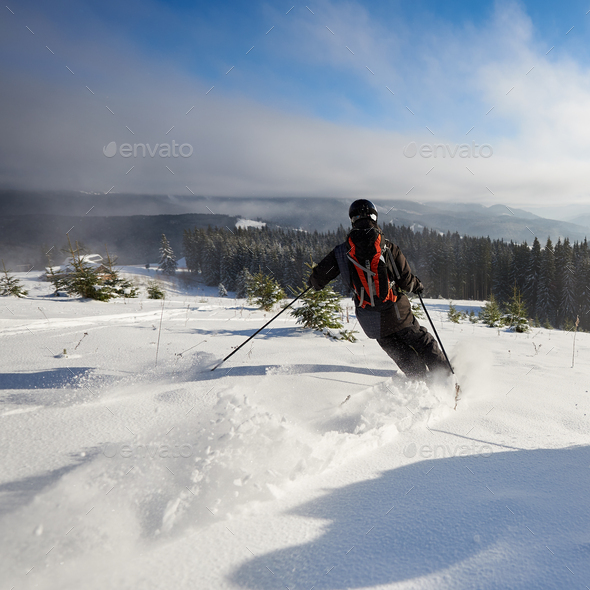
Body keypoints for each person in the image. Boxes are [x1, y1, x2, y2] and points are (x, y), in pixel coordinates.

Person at [308, 199, 450, 380]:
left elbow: (318, 279)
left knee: (400, 353)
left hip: (370, 319)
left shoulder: (341, 252)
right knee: (422, 341)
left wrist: (312, 282)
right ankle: (446, 377)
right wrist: (418, 285)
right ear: (374, 217)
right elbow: (406, 281)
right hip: (397, 312)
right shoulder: (388, 247)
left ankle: (420, 381)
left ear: (353, 219)